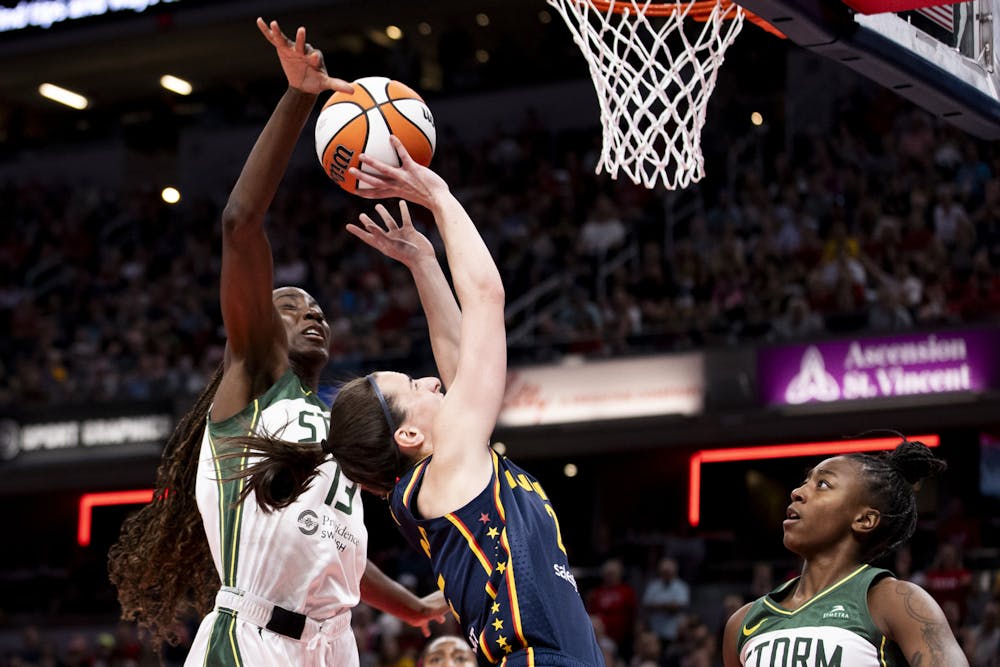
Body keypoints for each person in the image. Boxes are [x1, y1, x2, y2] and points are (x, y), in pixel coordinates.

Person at [107, 18, 446, 665]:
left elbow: (338, 549)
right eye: (289, 306)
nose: (310, 310)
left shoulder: (336, 421)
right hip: (254, 638)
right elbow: (240, 222)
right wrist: (299, 95)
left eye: (316, 306)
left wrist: (415, 606)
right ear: (258, 326)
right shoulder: (255, 382)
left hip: (333, 642)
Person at [223, 136, 605, 666]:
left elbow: (460, 357)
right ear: (408, 436)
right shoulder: (449, 472)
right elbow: (487, 301)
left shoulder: (450, 476)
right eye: (413, 386)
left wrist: (423, 263)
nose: (431, 382)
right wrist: (439, 197)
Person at [722, 437, 968, 667]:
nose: (797, 492)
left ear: (864, 519)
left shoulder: (894, 601)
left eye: (823, 484)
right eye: (805, 482)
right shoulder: (743, 622)